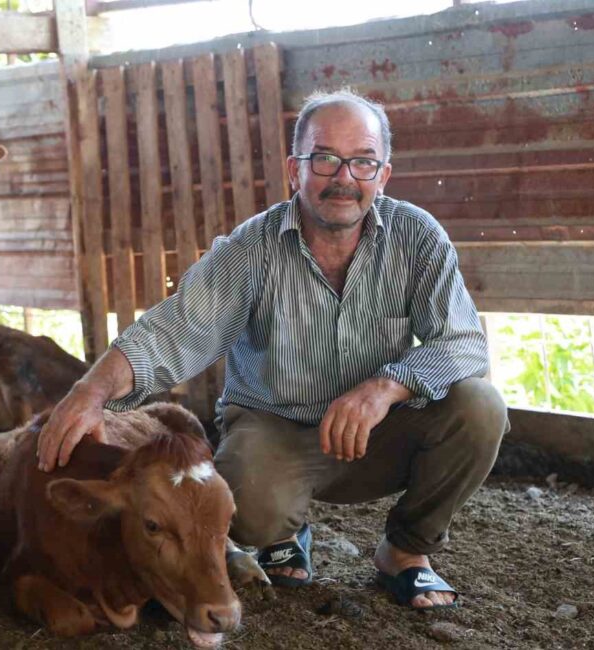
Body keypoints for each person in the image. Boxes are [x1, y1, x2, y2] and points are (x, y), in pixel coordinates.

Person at [36, 88, 509, 610]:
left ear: (383, 175)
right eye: (324, 159)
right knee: (244, 507)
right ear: (294, 169)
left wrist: (384, 388)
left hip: (379, 430)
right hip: (276, 432)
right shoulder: (251, 249)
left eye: (363, 162)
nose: (344, 178)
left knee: (480, 407)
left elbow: (463, 343)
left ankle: (406, 551)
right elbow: (172, 330)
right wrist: (91, 390)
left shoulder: (417, 237)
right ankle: (283, 534)